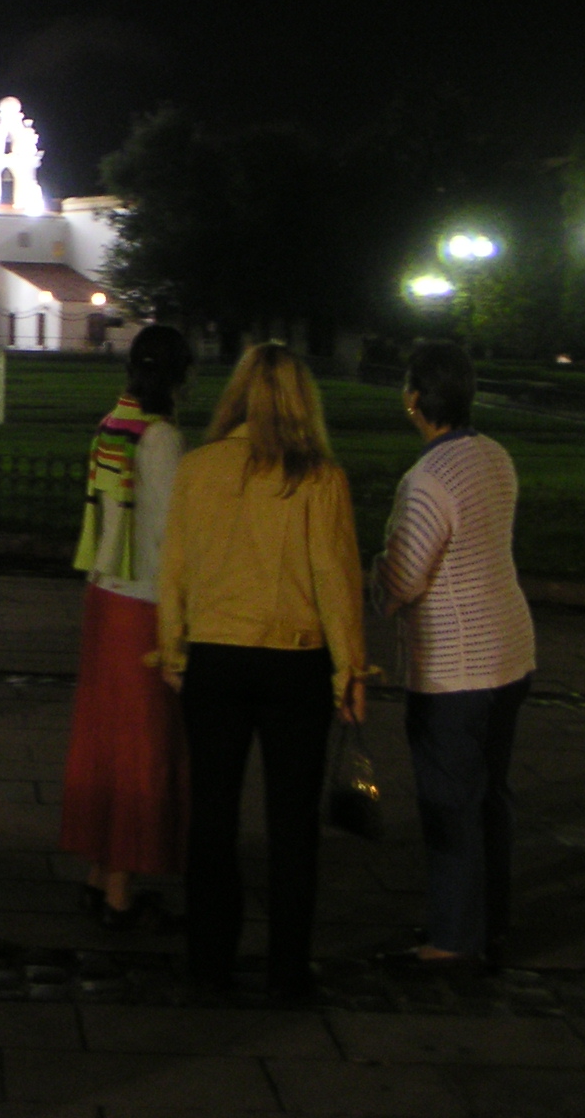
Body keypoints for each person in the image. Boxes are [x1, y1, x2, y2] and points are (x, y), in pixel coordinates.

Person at [157, 342, 366, 998]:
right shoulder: (318, 477)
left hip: (216, 657)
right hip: (293, 661)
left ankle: (209, 962)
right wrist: (350, 674)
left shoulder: (199, 468)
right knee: (292, 825)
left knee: (212, 817)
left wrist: (173, 652)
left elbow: (175, 567)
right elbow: (336, 581)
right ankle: (287, 969)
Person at [376, 341, 536, 968]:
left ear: (415, 399)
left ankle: (452, 936)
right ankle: (488, 920)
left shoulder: (427, 480)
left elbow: (404, 577)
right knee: (491, 796)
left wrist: (375, 574)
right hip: (510, 650)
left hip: (455, 664)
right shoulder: (494, 456)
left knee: (450, 803)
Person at [60, 324, 194, 929]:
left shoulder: (113, 424)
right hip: (143, 603)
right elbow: (171, 532)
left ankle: (99, 873)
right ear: (181, 377)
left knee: (106, 738)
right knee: (143, 743)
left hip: (104, 592)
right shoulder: (161, 438)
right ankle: (120, 890)